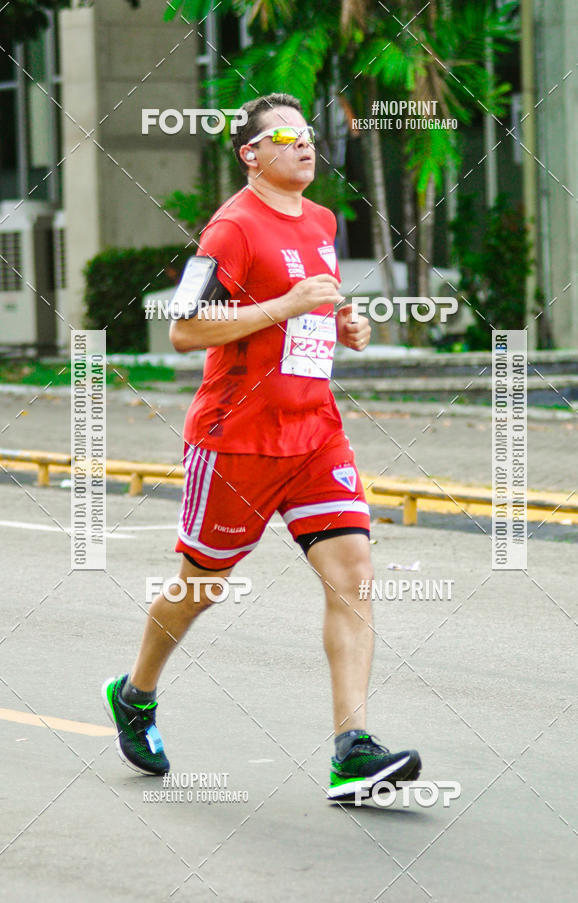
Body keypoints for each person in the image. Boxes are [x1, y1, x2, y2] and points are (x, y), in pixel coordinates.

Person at [102, 92, 421, 802]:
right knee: (199, 587)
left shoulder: (322, 220)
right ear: (251, 154)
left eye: (308, 134)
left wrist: (346, 322)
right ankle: (135, 691)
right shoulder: (231, 230)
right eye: (286, 135)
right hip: (238, 440)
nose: (305, 144)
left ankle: (353, 751)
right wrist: (283, 307)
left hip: (315, 431)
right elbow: (185, 330)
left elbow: (318, 299)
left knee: (354, 572)